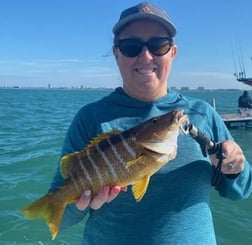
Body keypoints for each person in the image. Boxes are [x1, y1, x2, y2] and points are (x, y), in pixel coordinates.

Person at [50, 2, 252, 244]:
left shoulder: (202, 113)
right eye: (131, 46)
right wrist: (79, 204)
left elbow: (240, 191)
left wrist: (235, 168)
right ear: (116, 54)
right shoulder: (90, 117)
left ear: (173, 53)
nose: (146, 56)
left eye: (158, 45)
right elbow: (63, 219)